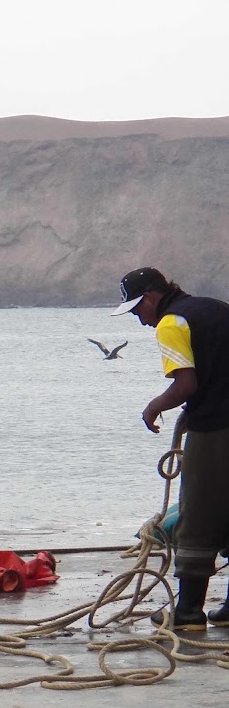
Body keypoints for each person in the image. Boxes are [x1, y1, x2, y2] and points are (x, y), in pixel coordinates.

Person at [114, 266, 229, 629]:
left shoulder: (171, 322)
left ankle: (189, 613)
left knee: (197, 515)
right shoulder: (215, 308)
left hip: (216, 427)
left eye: (136, 310)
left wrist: (154, 407)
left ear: (151, 297)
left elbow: (186, 384)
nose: (140, 321)